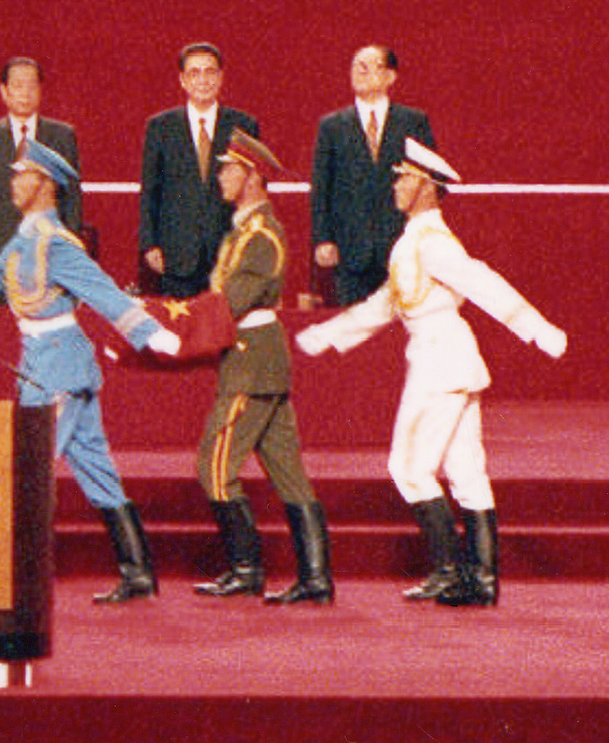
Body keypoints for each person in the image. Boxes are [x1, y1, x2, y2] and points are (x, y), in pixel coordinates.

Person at [0, 139, 183, 605]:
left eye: (20, 175)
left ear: (43, 184)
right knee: (95, 468)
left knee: (28, 465)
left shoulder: (57, 243)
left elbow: (102, 290)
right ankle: (139, 572)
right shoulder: (25, 237)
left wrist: (149, 332)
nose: (12, 182)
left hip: (58, 367)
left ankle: (16, 575)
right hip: (42, 361)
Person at [300, 140, 567, 607]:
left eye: (404, 177)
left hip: (439, 360)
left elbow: (482, 282)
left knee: (408, 467)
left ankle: (448, 570)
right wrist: (330, 333)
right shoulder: (414, 241)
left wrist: (537, 330)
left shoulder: (433, 244)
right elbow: (387, 303)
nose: (396, 184)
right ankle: (481, 580)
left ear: (425, 185)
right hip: (444, 355)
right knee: (465, 471)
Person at [192, 134, 333, 608]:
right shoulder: (242, 232)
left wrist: (173, 320)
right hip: (256, 360)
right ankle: (316, 579)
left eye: (229, 170)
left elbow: (228, 302)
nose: (222, 178)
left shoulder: (259, 236)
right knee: (290, 474)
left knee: (214, 467)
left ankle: (246, 568)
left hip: (252, 363)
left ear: (253, 176)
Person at [310, 43, 436, 306]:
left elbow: (434, 183)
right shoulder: (332, 126)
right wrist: (323, 239)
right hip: (350, 251)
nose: (361, 73)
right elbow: (321, 188)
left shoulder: (413, 122)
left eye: (370, 67)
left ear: (390, 77)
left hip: (402, 247)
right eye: (357, 66)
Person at [140, 42, 260, 296]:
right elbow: (151, 190)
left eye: (210, 72)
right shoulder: (160, 127)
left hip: (228, 253)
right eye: (194, 73)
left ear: (221, 77)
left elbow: (253, 192)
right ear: (183, 80)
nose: (203, 80)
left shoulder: (243, 126)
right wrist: (150, 244)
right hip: (177, 255)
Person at [0, 55, 82, 265]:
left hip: (48, 253)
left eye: (32, 86)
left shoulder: (62, 136)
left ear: (40, 91)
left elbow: (72, 200)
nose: (25, 94)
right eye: (18, 86)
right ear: (4, 91)